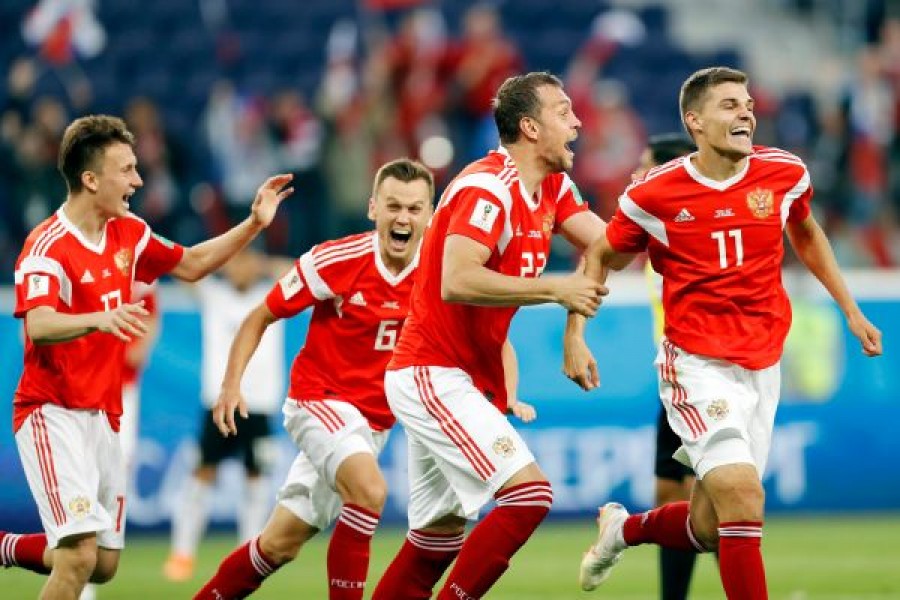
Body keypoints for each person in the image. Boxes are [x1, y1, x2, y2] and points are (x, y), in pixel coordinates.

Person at [566, 67, 883, 599]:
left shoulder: (784, 173)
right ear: (695, 121)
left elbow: (804, 229)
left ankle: (622, 530)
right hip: (696, 366)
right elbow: (601, 253)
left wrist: (849, 308)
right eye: (730, 105)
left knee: (713, 528)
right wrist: (576, 333)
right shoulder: (656, 194)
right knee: (743, 495)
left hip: (761, 365)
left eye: (748, 103)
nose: (746, 113)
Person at [0, 114, 293, 600]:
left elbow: (194, 263)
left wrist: (253, 224)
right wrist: (100, 318)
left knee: (104, 565)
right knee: (76, 558)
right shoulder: (46, 246)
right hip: (51, 413)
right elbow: (39, 323)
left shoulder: (130, 233)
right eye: (127, 170)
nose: (138, 180)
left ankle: (8, 548)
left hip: (106, 415)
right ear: (91, 179)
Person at [371, 71, 607, 600]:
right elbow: (458, 280)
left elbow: (608, 246)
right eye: (563, 112)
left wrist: (575, 332)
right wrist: (556, 291)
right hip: (431, 369)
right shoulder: (488, 188)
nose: (578, 121)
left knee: (436, 540)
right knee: (529, 496)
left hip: (462, 376)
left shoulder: (552, 186)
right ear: (529, 127)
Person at [193, 158, 436, 599]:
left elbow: (486, 334)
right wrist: (231, 385)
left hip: (371, 427)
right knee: (369, 490)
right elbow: (259, 316)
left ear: (430, 216)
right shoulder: (337, 260)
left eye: (415, 209)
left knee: (277, 546)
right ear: (373, 209)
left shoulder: (439, 272)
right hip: (319, 401)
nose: (403, 218)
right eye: (393, 206)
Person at [162, 248, 288, 582]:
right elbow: (180, 269)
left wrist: (265, 264)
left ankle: (247, 556)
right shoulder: (214, 295)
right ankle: (182, 553)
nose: (240, 269)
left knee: (257, 481)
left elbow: (300, 272)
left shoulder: (271, 297)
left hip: (258, 405)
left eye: (247, 262)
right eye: (235, 262)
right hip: (217, 404)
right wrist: (221, 257)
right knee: (201, 475)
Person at [638, 134, 705, 600]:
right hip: (672, 380)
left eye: (645, 168)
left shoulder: (692, 233)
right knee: (675, 497)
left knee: (712, 500)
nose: (635, 177)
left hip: (701, 378)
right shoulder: (656, 229)